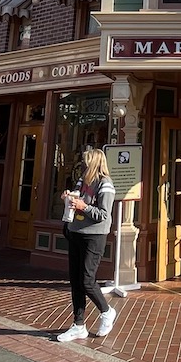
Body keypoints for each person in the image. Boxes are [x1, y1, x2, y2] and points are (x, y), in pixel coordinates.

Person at [55, 147, 117, 342]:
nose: (83, 165)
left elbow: (104, 215)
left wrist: (84, 207)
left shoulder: (105, 184)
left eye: (86, 161)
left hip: (94, 236)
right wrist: (69, 197)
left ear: (95, 163)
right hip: (76, 232)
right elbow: (77, 199)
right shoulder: (83, 181)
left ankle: (106, 311)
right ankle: (78, 324)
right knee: (75, 280)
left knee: (87, 280)